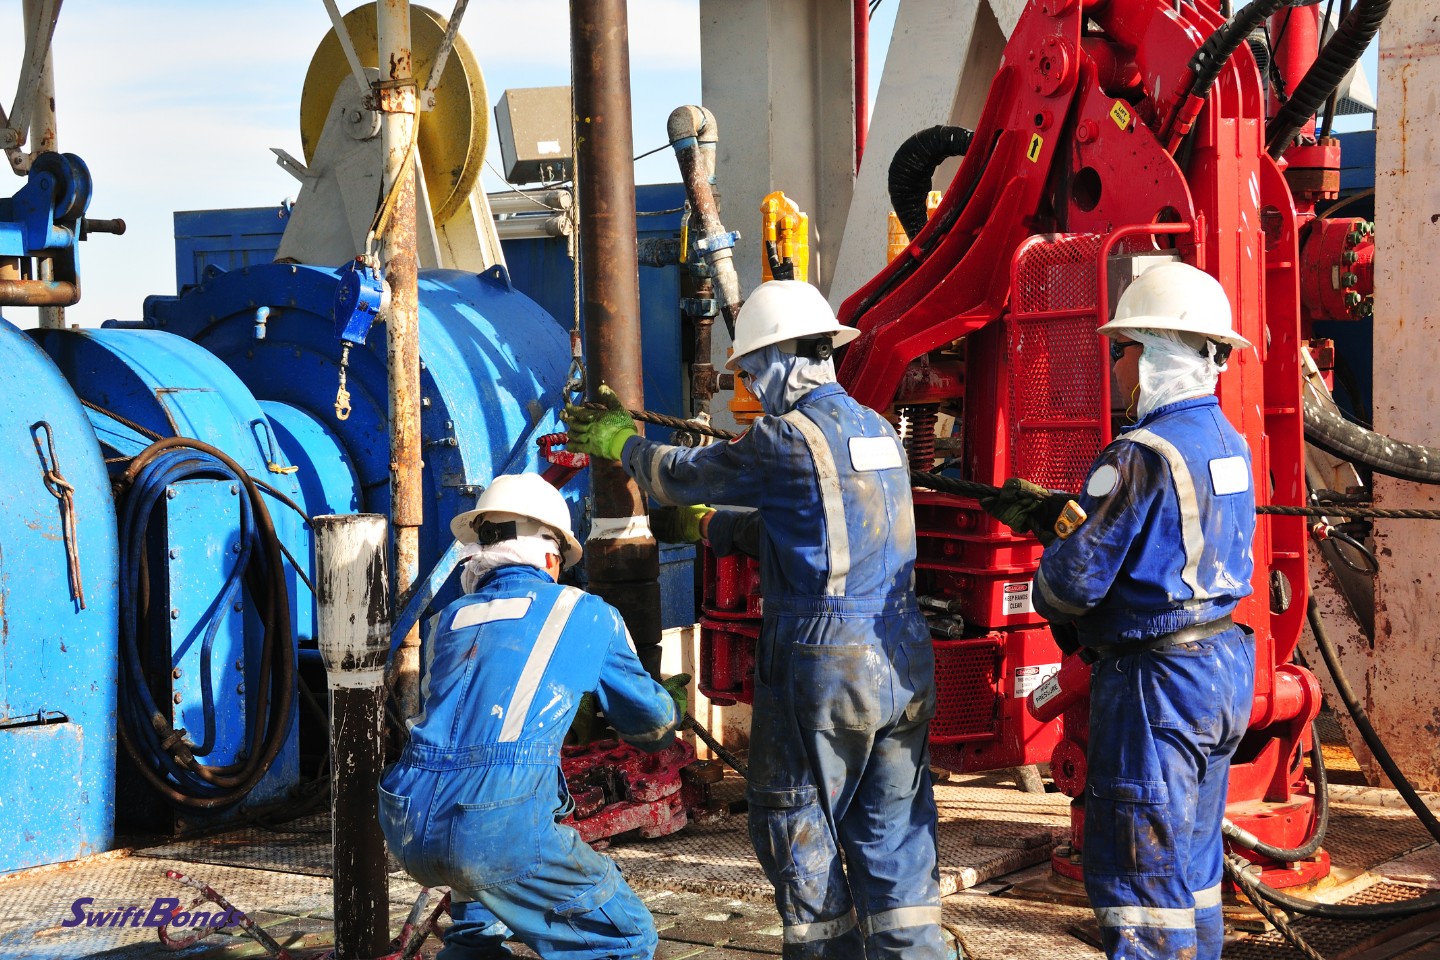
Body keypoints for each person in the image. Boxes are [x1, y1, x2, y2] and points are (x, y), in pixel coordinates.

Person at [564, 279, 945, 960]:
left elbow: (679, 473)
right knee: (895, 841)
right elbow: (820, 526)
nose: (753, 388)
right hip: (900, 661)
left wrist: (624, 443)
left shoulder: (787, 436)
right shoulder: (878, 430)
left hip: (825, 665)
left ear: (785, 359)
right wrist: (717, 530)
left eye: (753, 370)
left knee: (796, 819)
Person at [982, 261, 1257, 960]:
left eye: (1124, 349)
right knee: (1191, 872)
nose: (1117, 365)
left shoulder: (1136, 454)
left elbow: (1073, 585)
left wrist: (1055, 555)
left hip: (1155, 683)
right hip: (1222, 668)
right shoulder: (1228, 443)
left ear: (1159, 352)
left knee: (1139, 878)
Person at [377, 472, 686, 960]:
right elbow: (649, 725)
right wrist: (670, 710)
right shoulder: (582, 610)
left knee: (476, 933)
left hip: (412, 819)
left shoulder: (446, 622)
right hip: (497, 824)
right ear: (549, 554)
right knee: (623, 939)